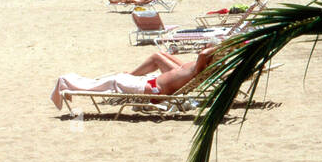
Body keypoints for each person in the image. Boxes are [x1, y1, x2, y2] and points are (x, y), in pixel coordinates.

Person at [51, 45, 218, 111]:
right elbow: (198, 57)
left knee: (114, 81)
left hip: (152, 89)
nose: (203, 47)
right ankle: (67, 81)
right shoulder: (195, 69)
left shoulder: (198, 68)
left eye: (207, 46)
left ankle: (65, 82)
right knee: (115, 79)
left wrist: (219, 45)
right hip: (149, 84)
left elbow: (203, 53)